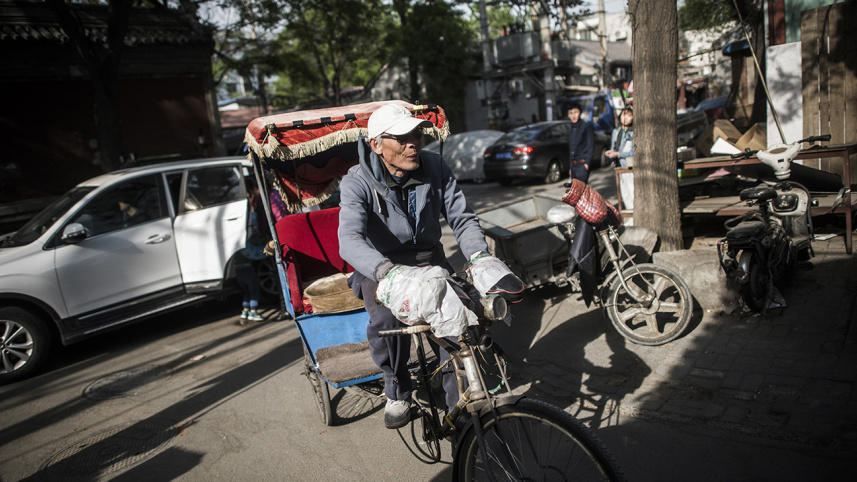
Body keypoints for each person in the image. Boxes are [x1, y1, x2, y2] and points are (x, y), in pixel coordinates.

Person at [338, 104, 497, 430]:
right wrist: (386, 272)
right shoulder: (357, 181)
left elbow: (462, 218)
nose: (413, 143)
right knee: (386, 320)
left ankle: (460, 411)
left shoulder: (435, 166)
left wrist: (480, 257)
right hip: (381, 266)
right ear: (376, 145)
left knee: (459, 322)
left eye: (416, 134)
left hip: (430, 261)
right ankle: (397, 388)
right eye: (401, 138)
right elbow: (349, 239)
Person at [567, 102, 595, 184]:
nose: (573, 116)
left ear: (580, 113)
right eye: (571, 113)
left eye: (575, 112)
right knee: (575, 190)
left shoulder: (586, 126)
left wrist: (587, 164)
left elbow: (591, 146)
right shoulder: (571, 128)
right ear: (568, 115)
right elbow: (571, 148)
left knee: (582, 189)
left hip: (582, 164)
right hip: (573, 165)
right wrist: (571, 167)